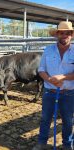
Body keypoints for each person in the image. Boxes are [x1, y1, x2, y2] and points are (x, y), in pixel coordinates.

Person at [32, 21, 74, 150]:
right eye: (62, 33)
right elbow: (41, 69)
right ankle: (42, 143)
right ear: (57, 35)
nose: (65, 35)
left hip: (69, 93)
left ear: (71, 35)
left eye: (68, 33)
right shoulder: (49, 49)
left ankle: (67, 144)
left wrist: (63, 77)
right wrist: (50, 79)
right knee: (45, 118)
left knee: (68, 120)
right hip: (49, 91)